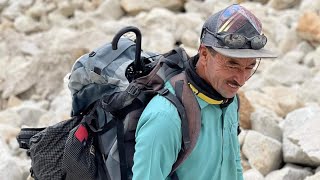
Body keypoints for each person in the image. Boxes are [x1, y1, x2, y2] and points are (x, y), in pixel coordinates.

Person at [132, 4, 277, 180]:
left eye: (250, 66)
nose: (241, 79)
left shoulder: (228, 100)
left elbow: (233, 164)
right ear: (204, 54)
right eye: (232, 64)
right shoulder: (165, 118)